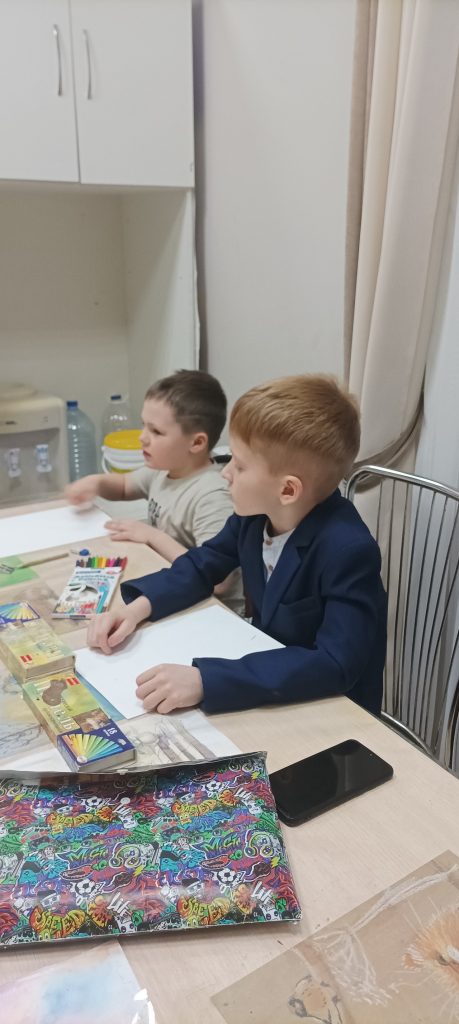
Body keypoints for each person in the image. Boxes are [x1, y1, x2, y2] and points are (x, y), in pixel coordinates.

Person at [86, 374, 387, 717]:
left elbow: (334, 662)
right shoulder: (255, 516)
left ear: (288, 490)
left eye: (240, 466)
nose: (225, 473)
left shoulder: (348, 550)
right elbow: (202, 565)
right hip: (268, 687)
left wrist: (206, 680)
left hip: (331, 711)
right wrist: (135, 610)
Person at [66, 369, 243, 613]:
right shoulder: (164, 470)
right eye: (144, 426)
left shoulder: (212, 495)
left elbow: (220, 581)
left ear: (196, 443)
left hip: (213, 610)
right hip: (173, 588)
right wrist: (95, 483)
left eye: (156, 431)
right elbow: (124, 486)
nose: (143, 438)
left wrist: (152, 536)